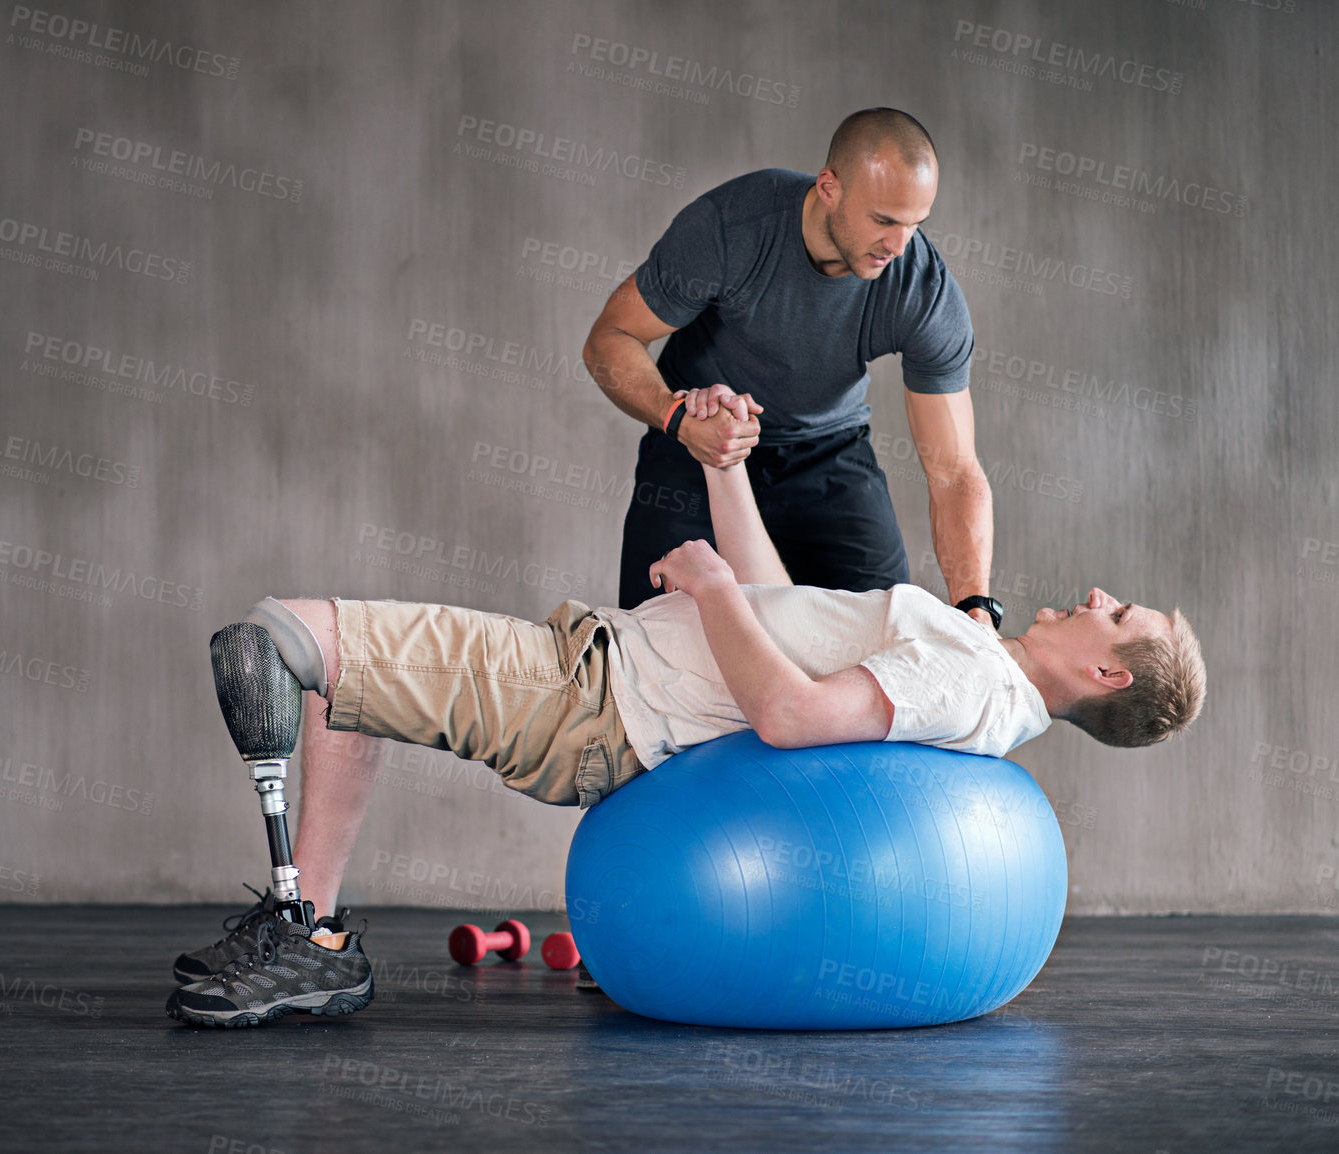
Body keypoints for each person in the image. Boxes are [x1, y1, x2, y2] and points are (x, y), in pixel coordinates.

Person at [165, 458, 1206, 1028]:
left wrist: (707, 589)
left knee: (275, 635)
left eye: (1121, 616)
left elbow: (791, 715)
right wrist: (726, 470)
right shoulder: (979, 670)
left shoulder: (970, 675)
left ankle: (304, 933)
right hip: (600, 681)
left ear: (1107, 674)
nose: (1098, 596)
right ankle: (318, 933)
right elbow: (779, 606)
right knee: (350, 685)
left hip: (588, 695)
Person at [582, 107, 1002, 632]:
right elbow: (610, 339)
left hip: (827, 453)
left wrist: (975, 610)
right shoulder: (730, 228)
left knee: (884, 641)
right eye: (884, 220)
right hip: (695, 440)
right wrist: (679, 421)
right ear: (829, 188)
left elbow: (954, 470)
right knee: (653, 647)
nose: (898, 247)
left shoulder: (920, 287)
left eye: (915, 225)